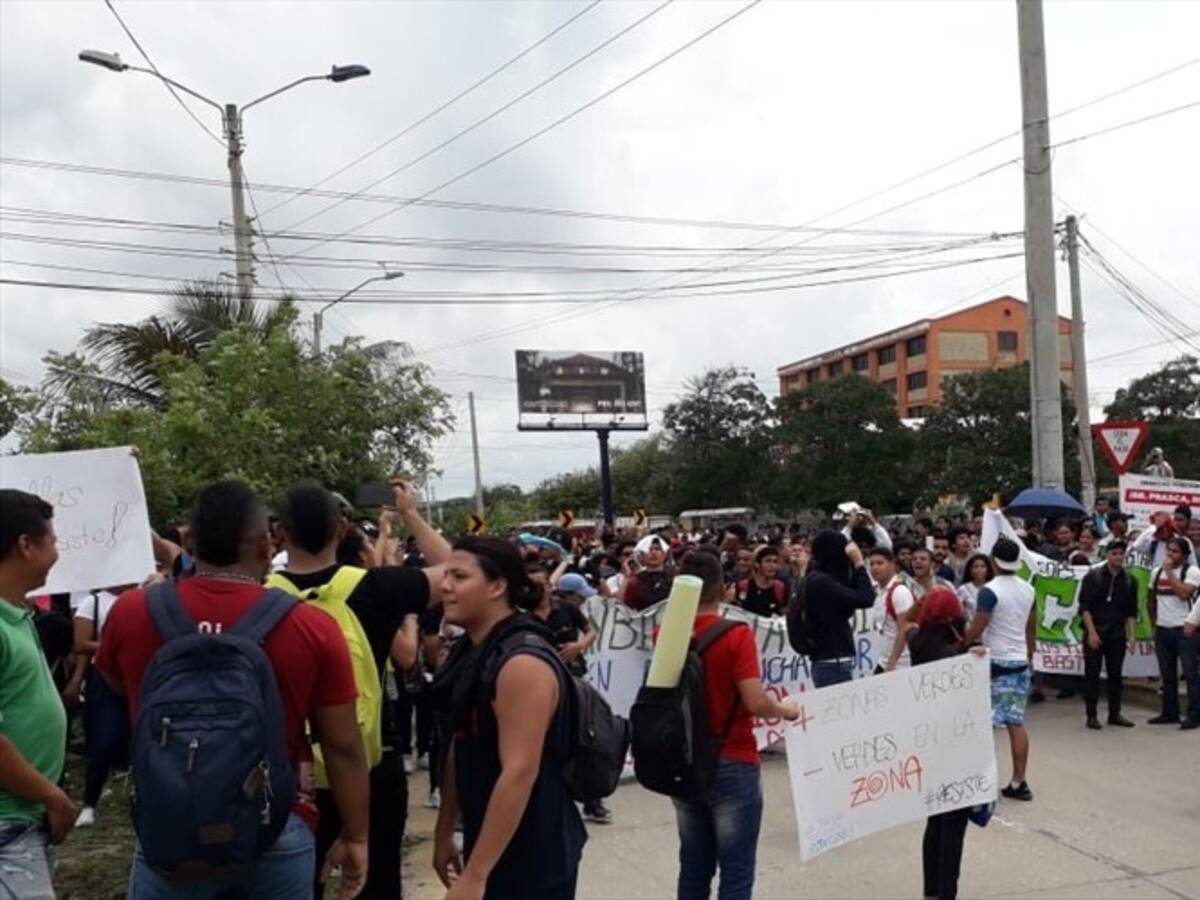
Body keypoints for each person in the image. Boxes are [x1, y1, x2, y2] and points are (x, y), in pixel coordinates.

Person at [97, 481, 370, 900]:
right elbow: (343, 745)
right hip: (276, 823)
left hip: (168, 824)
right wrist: (356, 836)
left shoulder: (132, 612)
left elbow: (116, 683)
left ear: (187, 539)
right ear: (266, 543)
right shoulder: (311, 626)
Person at [270, 481, 448, 900]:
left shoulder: (261, 598)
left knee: (295, 883)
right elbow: (465, 568)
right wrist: (409, 514)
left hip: (289, 773)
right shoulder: (379, 588)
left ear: (279, 533)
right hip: (371, 763)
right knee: (376, 882)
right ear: (344, 529)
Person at [432, 537, 586, 900]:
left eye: (459, 576)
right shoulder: (473, 651)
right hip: (491, 845)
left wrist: (475, 874)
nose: (445, 586)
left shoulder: (521, 664)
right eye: (445, 574)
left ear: (498, 586)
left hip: (533, 859)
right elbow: (461, 742)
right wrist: (445, 833)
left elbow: (519, 772)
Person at [658, 548, 798, 900]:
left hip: (683, 760)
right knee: (736, 871)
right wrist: (785, 709)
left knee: (693, 864)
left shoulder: (665, 635)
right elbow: (754, 701)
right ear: (724, 590)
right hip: (732, 758)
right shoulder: (735, 635)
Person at [0, 490, 76, 900]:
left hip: (22, 821)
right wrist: (50, 794)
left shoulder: (17, 613)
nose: (59, 552)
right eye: (54, 540)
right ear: (25, 545)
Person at [908, 588, 976, 900]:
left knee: (934, 821)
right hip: (956, 749)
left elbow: (907, 622)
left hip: (929, 747)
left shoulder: (917, 641)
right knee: (953, 828)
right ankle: (947, 891)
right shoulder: (954, 655)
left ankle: (931, 890)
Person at [961, 537, 1036, 802]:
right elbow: (1031, 626)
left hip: (995, 662)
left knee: (982, 726)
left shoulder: (989, 591)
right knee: (1016, 722)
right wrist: (1030, 653)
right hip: (1019, 661)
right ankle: (1019, 780)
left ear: (994, 561)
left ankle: (980, 784)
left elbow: (980, 625)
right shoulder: (1028, 589)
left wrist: (962, 642)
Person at [63, 588, 129, 829]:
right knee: (102, 741)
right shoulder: (95, 601)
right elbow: (81, 644)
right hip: (104, 676)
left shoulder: (148, 595)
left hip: (138, 673)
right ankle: (90, 803)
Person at [797, 531, 875, 687]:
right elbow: (865, 598)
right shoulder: (820, 582)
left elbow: (851, 594)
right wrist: (859, 563)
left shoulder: (816, 578)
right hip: (832, 662)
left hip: (830, 660)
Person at [1077, 540, 1138, 730]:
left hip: (1117, 633)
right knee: (1092, 675)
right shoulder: (1093, 577)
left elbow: (1131, 612)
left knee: (1115, 675)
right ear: (1107, 555)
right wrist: (1092, 633)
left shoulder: (1129, 580)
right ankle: (1091, 714)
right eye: (1115, 553)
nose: (1119, 557)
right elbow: (1084, 607)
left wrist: (1132, 636)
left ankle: (1115, 713)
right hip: (1096, 630)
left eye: (1121, 554)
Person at [1147, 537, 1200, 730]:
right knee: (1167, 674)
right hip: (1163, 628)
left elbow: (1184, 593)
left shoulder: (1192, 572)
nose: (1170, 555)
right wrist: (1154, 624)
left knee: (1191, 673)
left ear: (1185, 556)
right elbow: (1151, 599)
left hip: (1186, 629)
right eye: (1168, 550)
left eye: (1175, 551)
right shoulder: (1156, 572)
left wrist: (1169, 572)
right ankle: (1169, 712)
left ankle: (1194, 714)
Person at [867, 547, 915, 673]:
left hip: (900, 664)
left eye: (880, 563)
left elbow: (904, 629)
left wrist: (892, 662)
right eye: (871, 564)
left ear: (892, 565)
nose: (874, 567)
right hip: (882, 661)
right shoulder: (879, 593)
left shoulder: (900, 592)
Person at [621, 534, 673, 611]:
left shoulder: (674, 578)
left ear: (665, 554)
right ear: (641, 555)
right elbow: (625, 608)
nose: (654, 553)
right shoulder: (635, 582)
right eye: (649, 549)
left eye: (658, 549)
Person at [735, 545, 787, 617]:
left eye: (775, 562)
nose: (772, 565)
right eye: (768, 561)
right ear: (757, 564)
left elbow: (784, 613)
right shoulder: (743, 586)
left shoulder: (780, 587)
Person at [955, 554, 994, 621]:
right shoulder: (964, 589)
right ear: (970, 570)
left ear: (988, 570)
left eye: (983, 566)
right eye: (976, 567)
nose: (979, 570)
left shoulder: (993, 588)